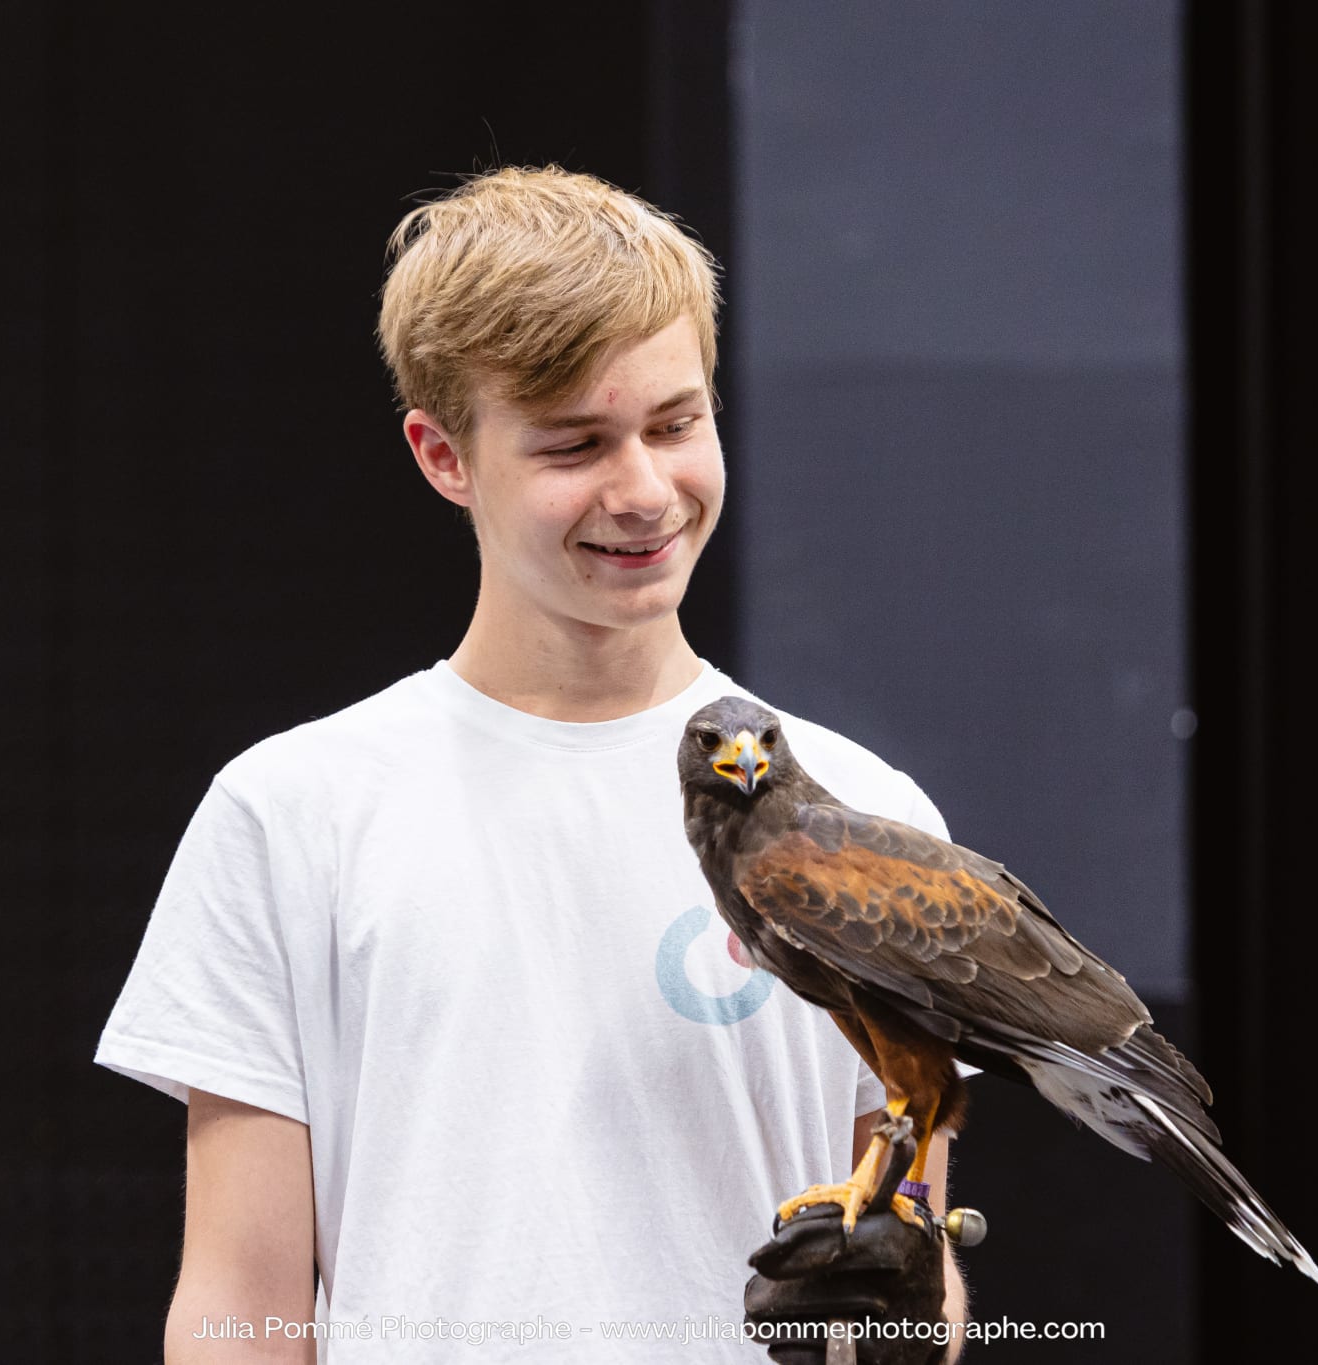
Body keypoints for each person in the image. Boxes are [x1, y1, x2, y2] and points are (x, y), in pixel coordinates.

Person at [96, 165, 970, 1362]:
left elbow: (915, 1264)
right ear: (443, 456)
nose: (643, 489)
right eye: (574, 444)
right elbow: (237, 1308)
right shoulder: (293, 813)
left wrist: (907, 1322)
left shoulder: (869, 814)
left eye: (675, 424)